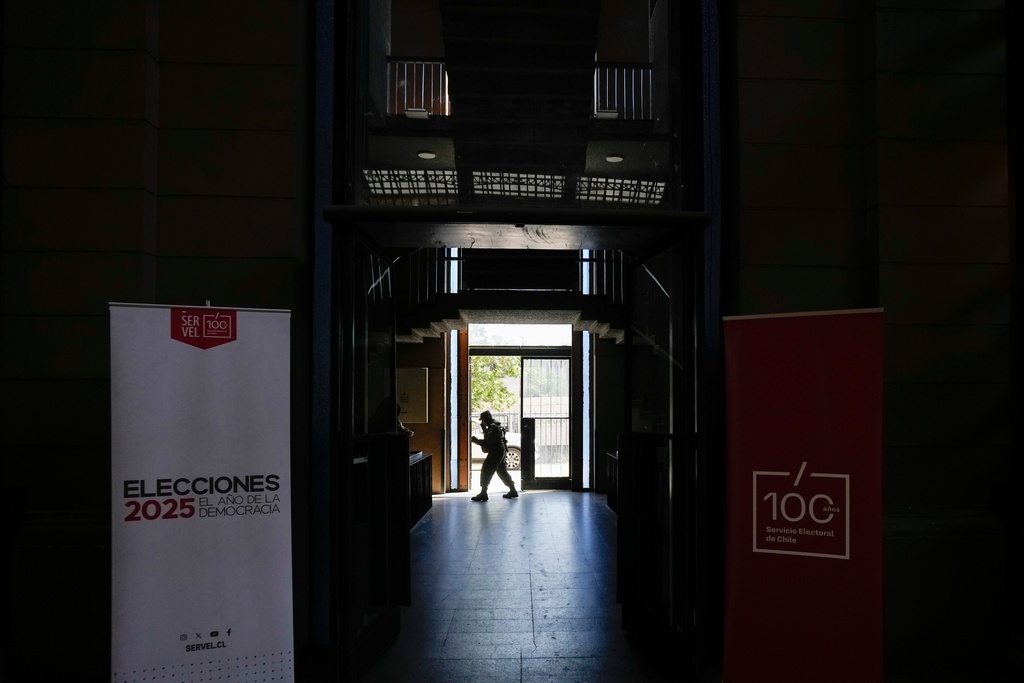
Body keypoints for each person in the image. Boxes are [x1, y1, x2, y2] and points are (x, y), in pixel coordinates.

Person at [470, 410, 517, 501]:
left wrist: (476, 441)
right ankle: (513, 490)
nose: (482, 422)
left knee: (486, 470)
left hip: (495, 452)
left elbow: (488, 443)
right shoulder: (496, 425)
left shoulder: (492, 427)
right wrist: (484, 430)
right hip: (501, 450)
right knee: (502, 471)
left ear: (487, 418)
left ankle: (483, 493)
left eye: (483, 420)